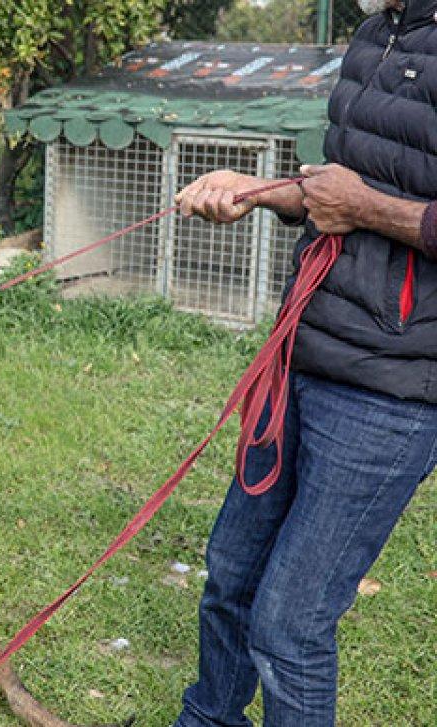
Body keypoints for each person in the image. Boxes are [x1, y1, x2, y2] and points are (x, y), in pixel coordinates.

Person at [171, 1, 437, 724]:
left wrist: (366, 205)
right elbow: (345, 190)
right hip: (305, 351)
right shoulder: (381, 32)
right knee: (229, 578)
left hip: (392, 390)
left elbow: (366, 201)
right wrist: (258, 194)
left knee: (289, 626)